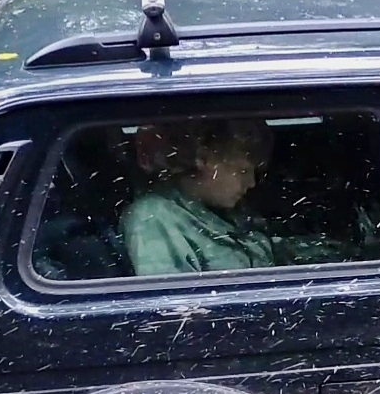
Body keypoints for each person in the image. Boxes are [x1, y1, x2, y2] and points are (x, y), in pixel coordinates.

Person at [121, 118, 323, 276]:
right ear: (203, 159)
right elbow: (176, 309)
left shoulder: (225, 212)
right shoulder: (153, 219)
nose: (252, 183)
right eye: (242, 171)